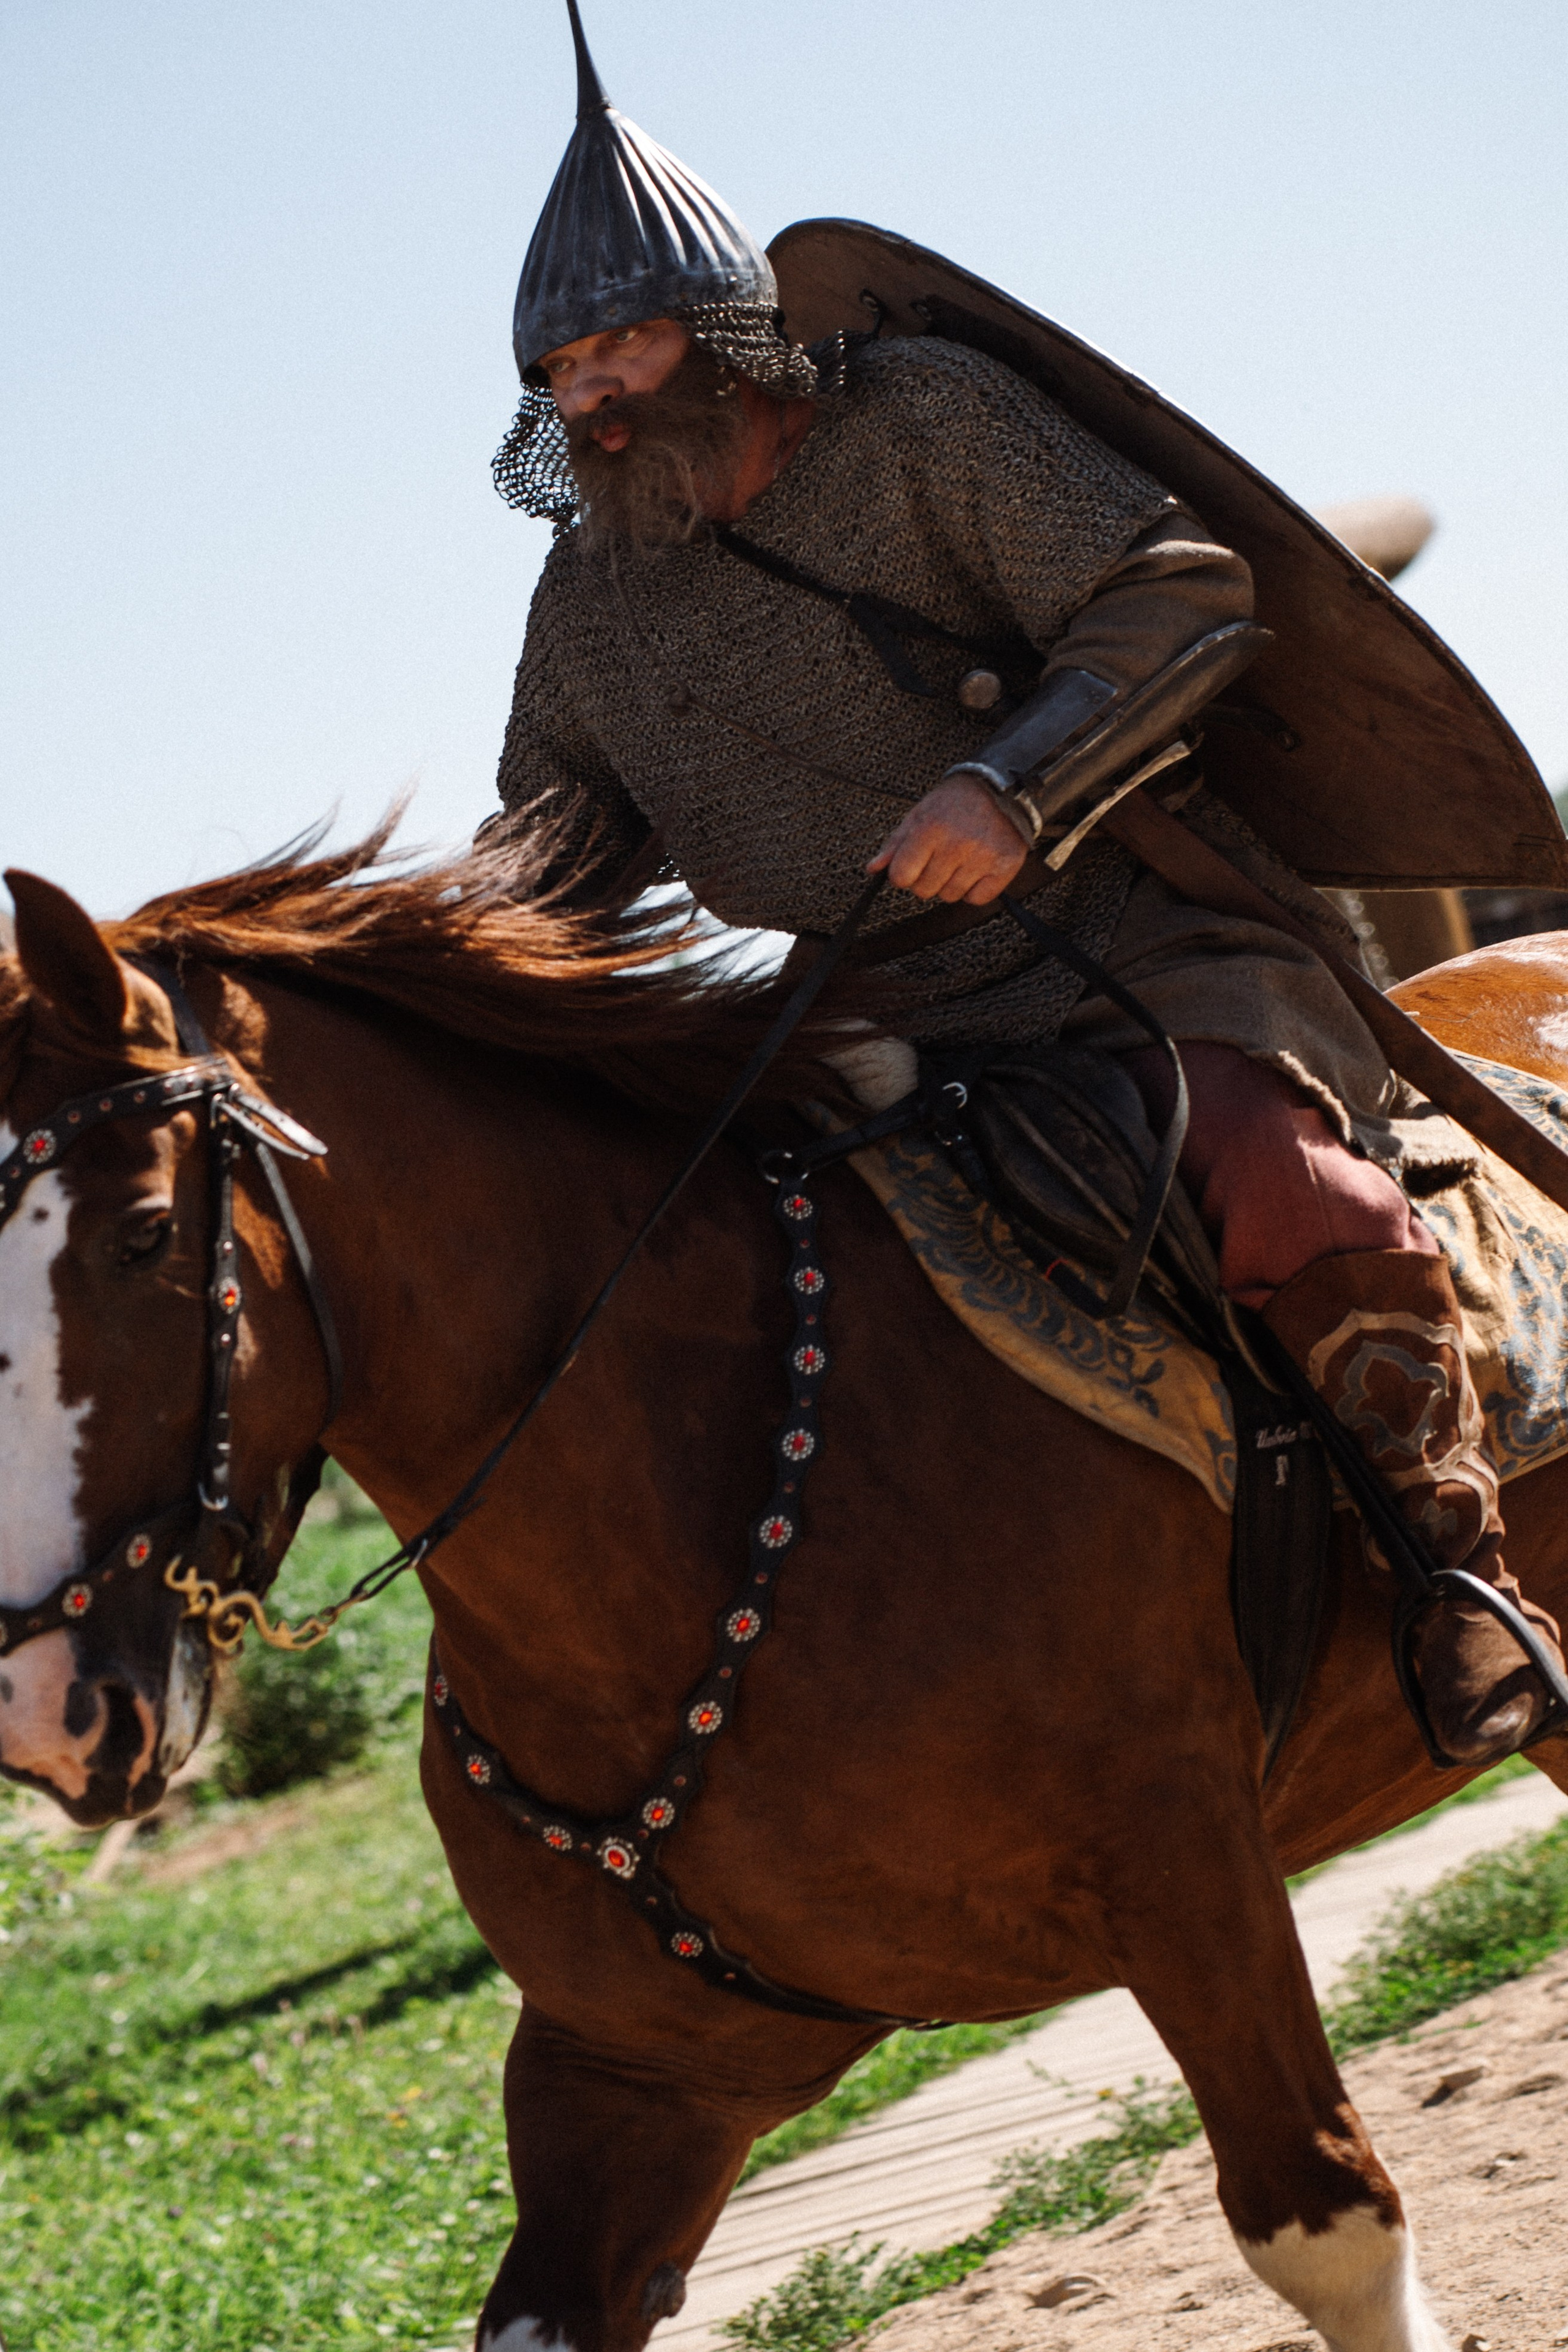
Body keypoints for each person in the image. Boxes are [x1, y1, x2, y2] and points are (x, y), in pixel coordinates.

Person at [489, 0, 1563, 1766]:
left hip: (1143, 932)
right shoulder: (586, 603)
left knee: (1277, 1177)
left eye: (623, 344)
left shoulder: (923, 421)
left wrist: (1012, 786)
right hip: (863, 1011)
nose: (595, 393)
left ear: (728, 330)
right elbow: (556, 845)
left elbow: (1179, 589)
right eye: (563, 369)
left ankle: (1463, 1580)